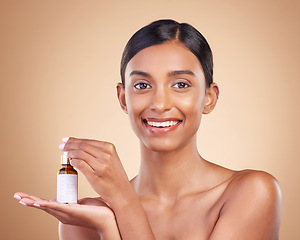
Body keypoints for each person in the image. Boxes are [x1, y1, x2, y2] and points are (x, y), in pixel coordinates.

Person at [14, 19, 282, 240]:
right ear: (122, 98)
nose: (160, 104)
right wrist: (107, 223)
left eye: (180, 84)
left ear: (209, 98)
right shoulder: (86, 219)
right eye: (142, 85)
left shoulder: (252, 192)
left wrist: (121, 203)